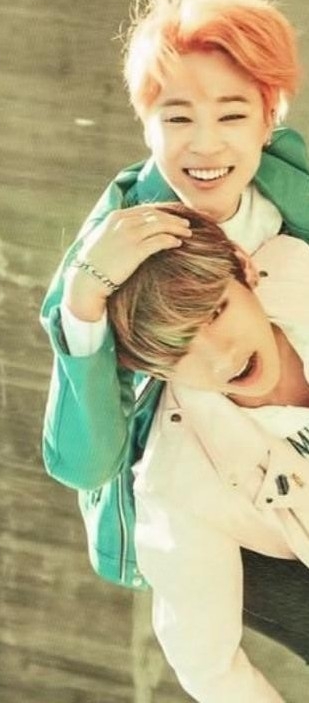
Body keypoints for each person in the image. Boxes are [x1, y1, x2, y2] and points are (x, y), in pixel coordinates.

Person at [40, 0, 309, 657]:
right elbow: (84, 462)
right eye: (177, 117)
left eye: (232, 113)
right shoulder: (110, 256)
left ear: (268, 117)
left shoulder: (290, 184)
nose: (205, 146)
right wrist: (84, 303)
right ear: (146, 123)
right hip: (226, 516)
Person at [107, 204, 309, 702]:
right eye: (178, 350)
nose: (222, 357)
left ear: (244, 269)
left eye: (216, 312)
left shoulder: (297, 269)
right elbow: (207, 666)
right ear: (156, 370)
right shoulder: (176, 485)